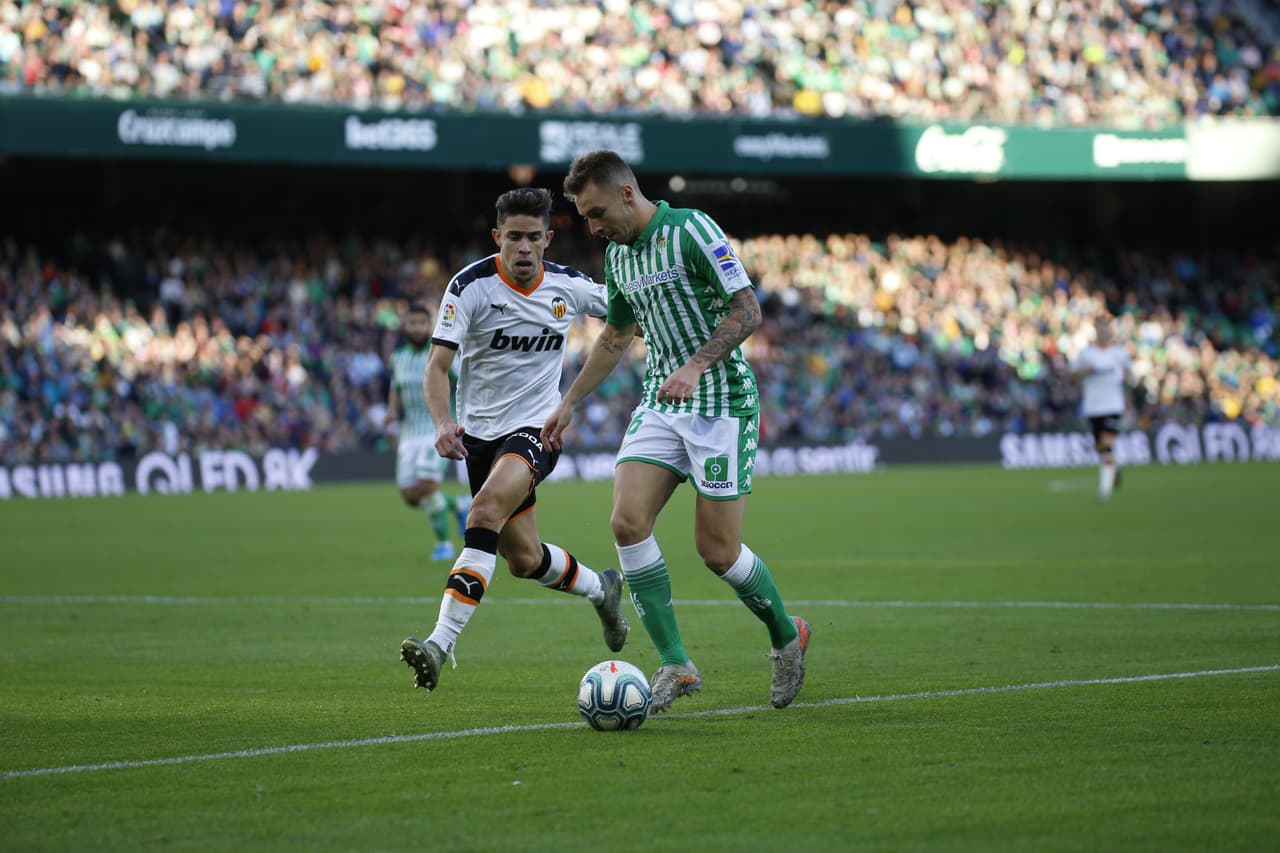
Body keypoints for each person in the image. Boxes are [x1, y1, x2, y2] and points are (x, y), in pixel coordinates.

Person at [545, 149, 810, 712]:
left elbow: (747, 309)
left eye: (595, 213)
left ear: (625, 192)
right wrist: (569, 400)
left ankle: (788, 637)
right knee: (625, 520)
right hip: (662, 402)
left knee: (717, 552)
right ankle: (675, 663)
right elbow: (616, 338)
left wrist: (695, 366)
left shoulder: (690, 228)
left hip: (721, 401)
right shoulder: (618, 257)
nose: (592, 227)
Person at [399, 187, 628, 694]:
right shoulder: (470, 287)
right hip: (477, 439)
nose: (524, 248)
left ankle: (439, 644)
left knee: (480, 516)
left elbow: (627, 316)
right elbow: (436, 368)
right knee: (523, 559)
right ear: (497, 237)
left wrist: (572, 399)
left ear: (548, 238)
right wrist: (442, 422)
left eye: (534, 237)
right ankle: (602, 589)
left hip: (535, 432)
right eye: (514, 237)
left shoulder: (571, 286)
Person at [384, 302, 470, 561]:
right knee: (410, 496)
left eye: (422, 323)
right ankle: (459, 505)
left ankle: (444, 545)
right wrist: (391, 410)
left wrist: (460, 417)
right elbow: (395, 387)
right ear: (406, 326)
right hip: (409, 433)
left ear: (430, 325)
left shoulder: (441, 354)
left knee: (427, 486)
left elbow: (461, 381)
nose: (418, 328)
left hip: (438, 429)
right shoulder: (398, 357)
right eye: (413, 323)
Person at [1068, 317, 1133, 503]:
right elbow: (1071, 375)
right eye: (1101, 329)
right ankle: (1115, 466)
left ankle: (1104, 492)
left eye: (1107, 328)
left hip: (1113, 405)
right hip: (1093, 407)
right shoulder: (1086, 354)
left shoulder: (1119, 353)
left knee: (1106, 444)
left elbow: (1130, 375)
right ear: (1096, 331)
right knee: (1101, 448)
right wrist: (1083, 372)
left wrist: (1128, 379)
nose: (1104, 332)